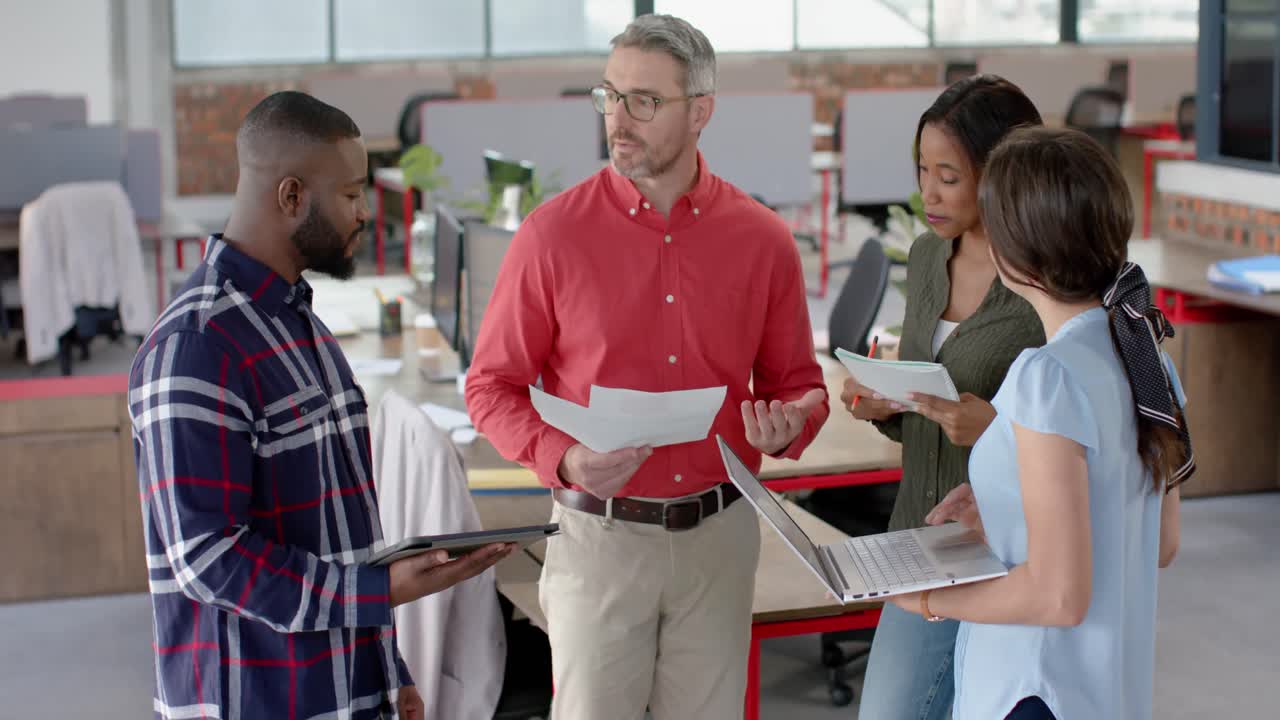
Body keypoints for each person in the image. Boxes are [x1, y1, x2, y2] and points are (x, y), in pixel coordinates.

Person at [464, 14, 829, 720]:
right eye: (610, 96)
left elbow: (799, 387)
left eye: (644, 100)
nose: (619, 120)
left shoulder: (763, 241)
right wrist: (563, 457)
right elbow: (490, 386)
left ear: (701, 112)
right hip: (599, 541)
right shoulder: (552, 236)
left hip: (719, 542)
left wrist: (790, 427)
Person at [128, 91, 513, 720]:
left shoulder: (296, 321)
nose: (365, 213)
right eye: (352, 194)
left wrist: (389, 669)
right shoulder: (199, 347)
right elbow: (207, 557)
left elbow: (341, 533)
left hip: (342, 687)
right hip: (261, 699)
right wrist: (379, 590)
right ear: (291, 196)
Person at [887, 126, 1192, 720]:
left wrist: (926, 599)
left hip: (1032, 689)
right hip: (1102, 688)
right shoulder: (1144, 355)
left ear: (1011, 250)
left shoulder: (1045, 375)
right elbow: (1158, 539)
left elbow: (1058, 595)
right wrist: (1008, 503)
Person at [841, 75, 1046, 720]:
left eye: (948, 176)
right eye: (921, 170)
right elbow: (929, 402)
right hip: (916, 540)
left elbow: (1080, 432)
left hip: (1004, 550)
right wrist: (886, 405)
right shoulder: (929, 255)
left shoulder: (1050, 283)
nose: (926, 191)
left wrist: (994, 432)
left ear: (1001, 174)